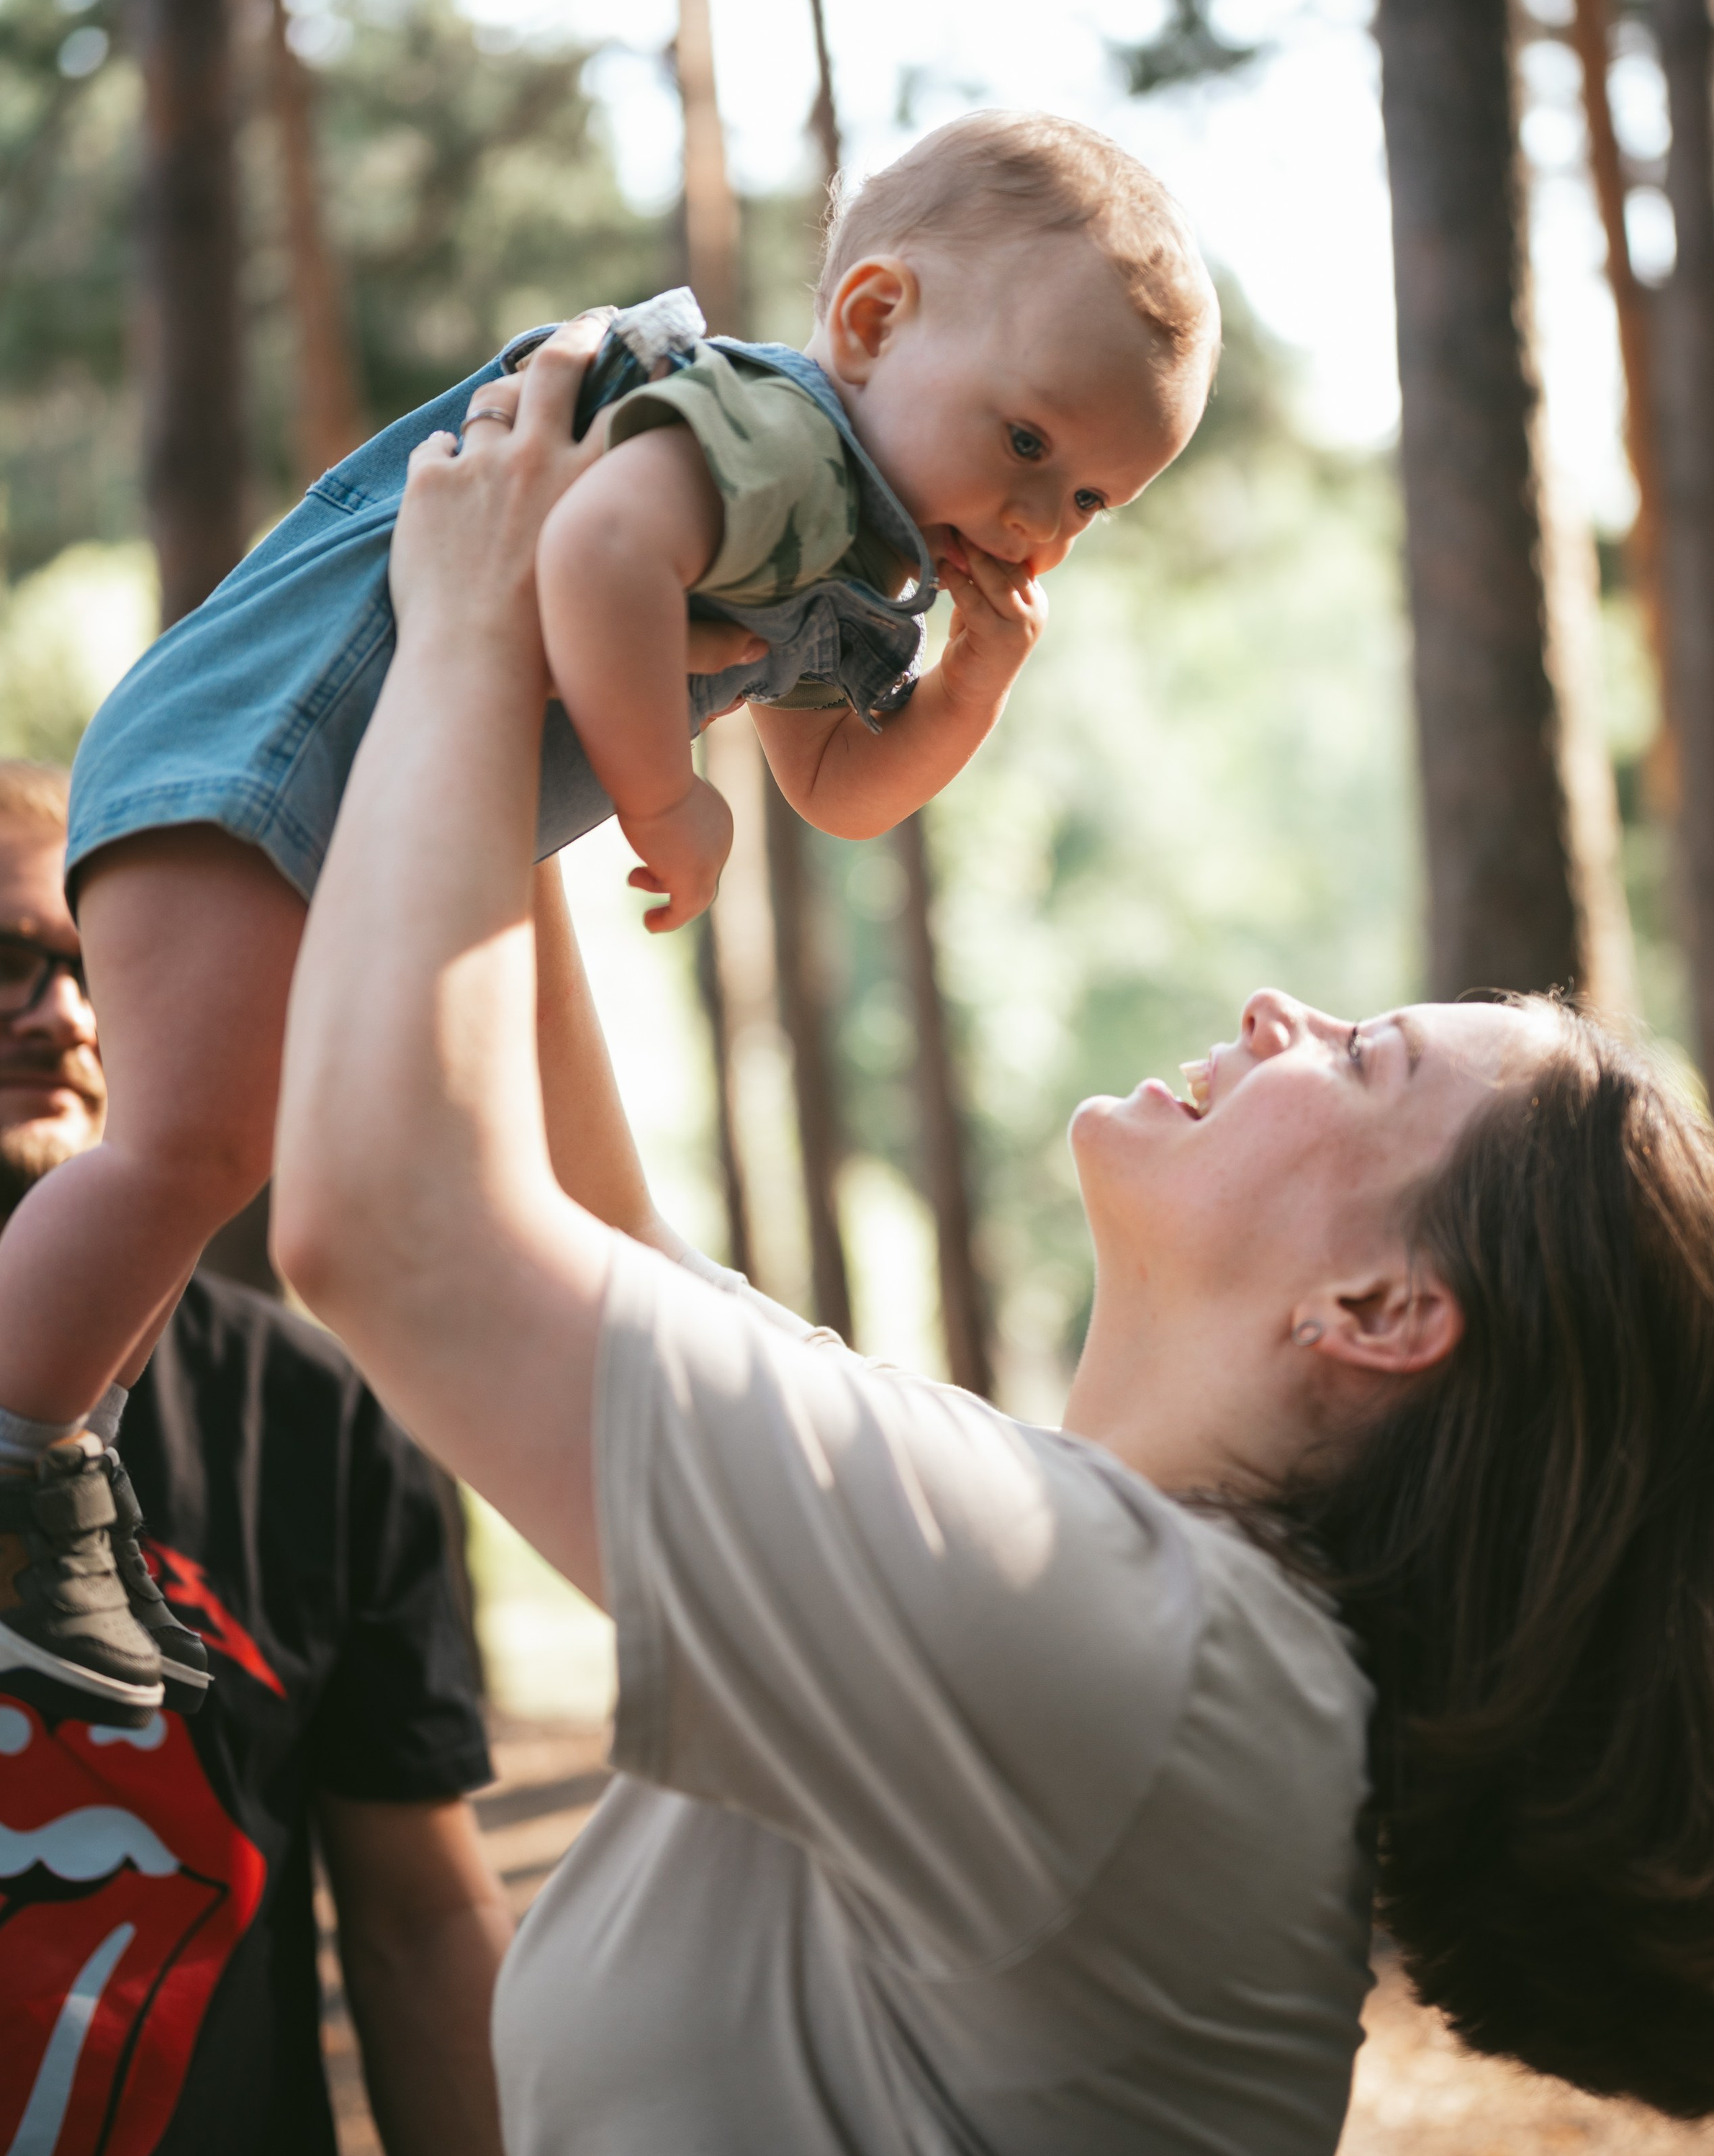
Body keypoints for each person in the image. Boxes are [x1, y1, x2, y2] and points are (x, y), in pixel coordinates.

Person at [270, 330, 1714, 2156]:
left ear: (1379, 1305)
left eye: (1360, 1058)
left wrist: (458, 628)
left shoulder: (1140, 1662)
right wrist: (541, 689)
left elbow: (394, 1231)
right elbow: (598, 1235)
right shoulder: (1130, 1623)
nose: (1280, 1008)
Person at [0, 110, 1218, 1719]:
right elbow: (592, 551)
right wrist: (661, 797)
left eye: (1088, 502)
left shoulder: (849, 551)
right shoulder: (777, 440)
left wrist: (970, 687)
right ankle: (22, 1471)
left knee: (199, 1161)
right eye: (1025, 444)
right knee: (187, 1150)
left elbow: (835, 782)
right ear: (871, 319)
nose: (1035, 521)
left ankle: (57, 1480)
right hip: (264, 749)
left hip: (302, 793)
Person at [0, 762, 513, 2156]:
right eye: (6, 961)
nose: (64, 1015)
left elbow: (421, 1927)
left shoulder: (321, 1417)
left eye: (103, 969)